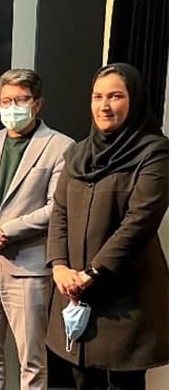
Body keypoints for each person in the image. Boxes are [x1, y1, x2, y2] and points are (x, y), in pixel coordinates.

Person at [46, 62, 168, 390]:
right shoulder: (77, 153)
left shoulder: (154, 153)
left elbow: (139, 222)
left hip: (124, 300)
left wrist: (92, 272)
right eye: (97, 96)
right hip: (73, 290)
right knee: (78, 380)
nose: (104, 105)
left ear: (134, 100)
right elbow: (59, 212)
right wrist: (58, 265)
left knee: (123, 383)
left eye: (115, 96)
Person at [0, 68, 74, 390]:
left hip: (27, 266)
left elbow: (56, 207)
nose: (12, 107)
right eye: (5, 101)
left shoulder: (61, 146)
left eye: (21, 100)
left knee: (31, 360)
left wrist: (4, 231)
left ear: (37, 103)